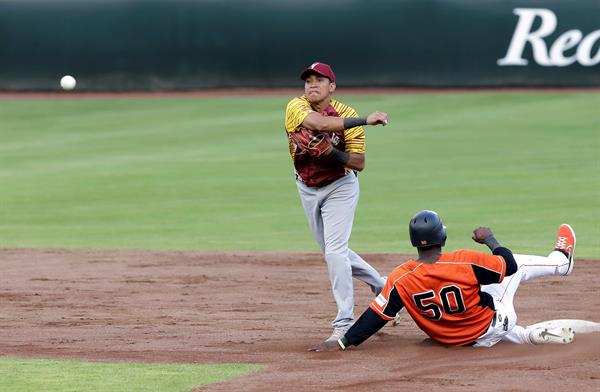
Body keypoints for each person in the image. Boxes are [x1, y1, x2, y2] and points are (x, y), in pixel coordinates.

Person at [311, 210, 578, 351]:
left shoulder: (400, 277)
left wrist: (344, 341)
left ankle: (530, 337)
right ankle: (561, 262)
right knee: (515, 267)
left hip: (453, 339)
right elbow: (506, 265)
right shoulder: (464, 260)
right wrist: (490, 240)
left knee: (484, 293)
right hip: (487, 326)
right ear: (443, 237)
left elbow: (375, 316)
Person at [284, 61, 390, 344]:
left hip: (340, 186)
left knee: (335, 252)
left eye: (319, 80)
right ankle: (383, 285)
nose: (312, 85)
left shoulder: (346, 113)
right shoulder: (296, 106)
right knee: (333, 252)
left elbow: (359, 163)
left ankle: (344, 323)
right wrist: (366, 120)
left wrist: (332, 152)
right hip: (306, 186)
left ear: (332, 87)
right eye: (308, 80)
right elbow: (318, 124)